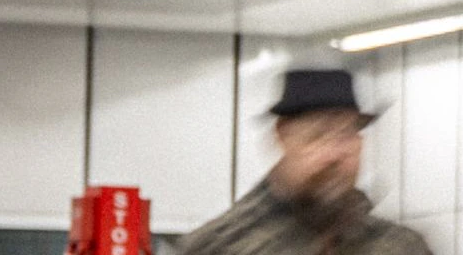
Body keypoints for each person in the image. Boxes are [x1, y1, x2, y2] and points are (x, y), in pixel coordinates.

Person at [182, 69, 431, 255]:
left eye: (347, 135)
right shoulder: (223, 247)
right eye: (319, 135)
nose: (335, 155)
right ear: (282, 135)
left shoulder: (399, 247)